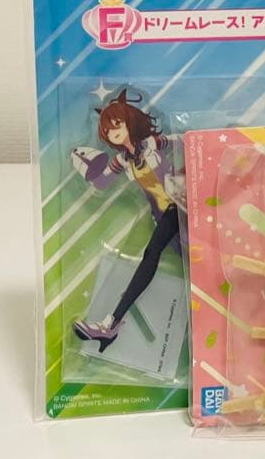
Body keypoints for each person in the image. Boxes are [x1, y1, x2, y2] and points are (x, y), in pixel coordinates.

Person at [70, 90, 182, 352]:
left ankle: (110, 324)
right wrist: (84, 163)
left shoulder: (152, 144)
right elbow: (102, 182)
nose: (113, 133)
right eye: (108, 131)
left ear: (129, 121)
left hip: (180, 208)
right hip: (164, 216)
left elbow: (185, 141)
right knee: (188, 263)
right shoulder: (123, 160)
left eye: (117, 125)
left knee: (151, 255)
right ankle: (110, 327)